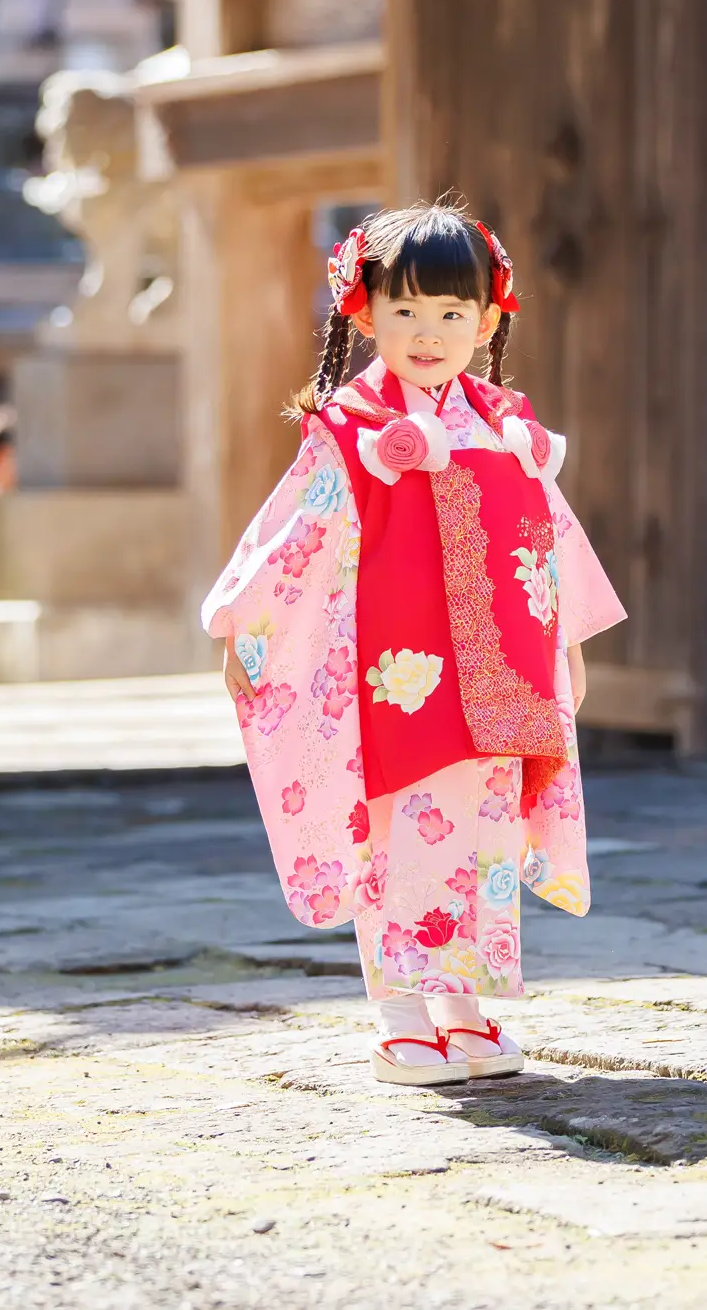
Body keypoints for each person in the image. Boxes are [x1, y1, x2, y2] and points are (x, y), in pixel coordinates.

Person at [200, 201, 626, 1087]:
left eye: (451, 312)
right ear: (364, 314)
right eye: (406, 310)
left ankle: (464, 1005)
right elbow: (298, 538)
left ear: (488, 320)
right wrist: (245, 622)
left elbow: (547, 543)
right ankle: (398, 1010)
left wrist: (566, 646)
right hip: (397, 673)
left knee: (486, 834)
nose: (429, 333)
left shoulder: (506, 427)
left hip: (500, 672)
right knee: (393, 833)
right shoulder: (353, 430)